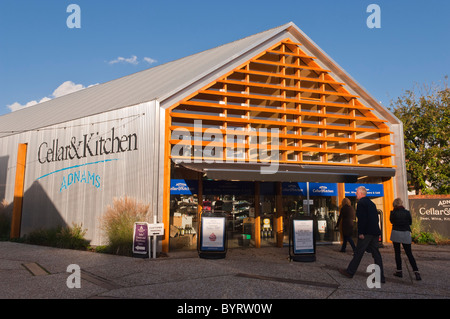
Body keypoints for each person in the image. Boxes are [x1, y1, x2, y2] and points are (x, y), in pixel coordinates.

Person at [339, 186, 385, 283]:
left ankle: (350, 272)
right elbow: (375, 218)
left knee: (358, 253)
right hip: (375, 232)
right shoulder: (372, 204)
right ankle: (380, 277)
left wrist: (361, 232)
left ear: (361, 193)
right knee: (376, 254)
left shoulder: (361, 203)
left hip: (366, 233)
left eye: (356, 192)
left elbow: (362, 219)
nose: (355, 194)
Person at [390, 198, 421, 280]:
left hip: (396, 232)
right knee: (409, 253)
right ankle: (416, 272)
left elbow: (391, 221)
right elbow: (410, 222)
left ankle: (399, 270)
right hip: (405, 232)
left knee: (397, 253)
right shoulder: (407, 212)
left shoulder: (393, 213)